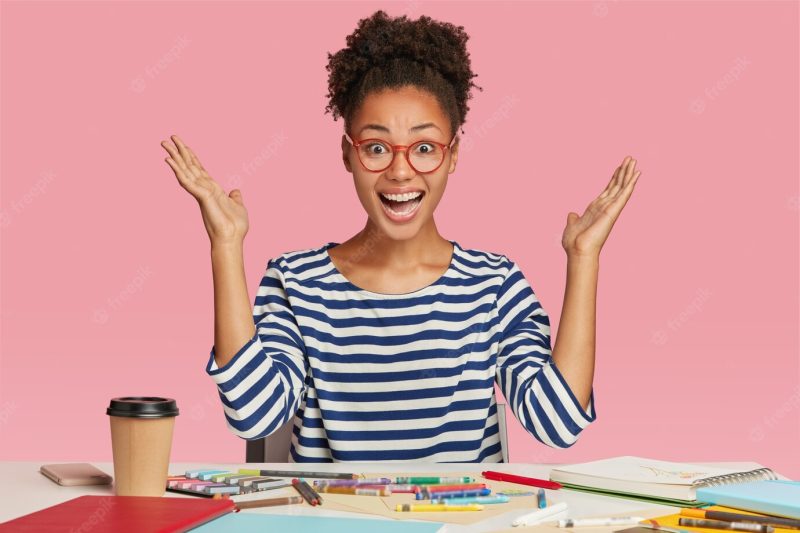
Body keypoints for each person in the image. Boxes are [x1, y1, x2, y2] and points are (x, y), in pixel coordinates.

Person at [162, 10, 640, 462]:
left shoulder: (493, 285)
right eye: (375, 147)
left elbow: (557, 424)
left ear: (453, 155)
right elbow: (253, 414)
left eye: (425, 147)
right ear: (347, 155)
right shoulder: (295, 281)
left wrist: (583, 258)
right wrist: (225, 245)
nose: (400, 170)